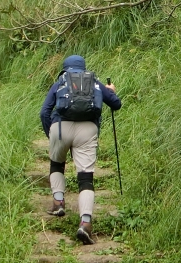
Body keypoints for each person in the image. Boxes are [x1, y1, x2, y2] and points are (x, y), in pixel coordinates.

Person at [39, 55, 122, 245]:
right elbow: (116, 105)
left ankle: (58, 202)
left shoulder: (60, 81)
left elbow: (44, 111)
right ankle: (85, 223)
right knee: (86, 177)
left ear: (65, 68)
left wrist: (50, 132)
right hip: (88, 129)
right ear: (84, 68)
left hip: (60, 128)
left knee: (57, 164)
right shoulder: (94, 82)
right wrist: (111, 91)